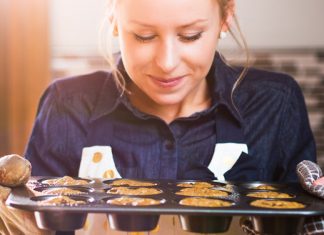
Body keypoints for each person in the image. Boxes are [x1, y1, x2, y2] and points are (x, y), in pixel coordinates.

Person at [5, 0, 317, 234]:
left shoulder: (276, 104)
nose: (167, 63)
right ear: (113, 19)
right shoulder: (67, 105)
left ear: (226, 18)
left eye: (191, 35)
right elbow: (35, 222)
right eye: (143, 36)